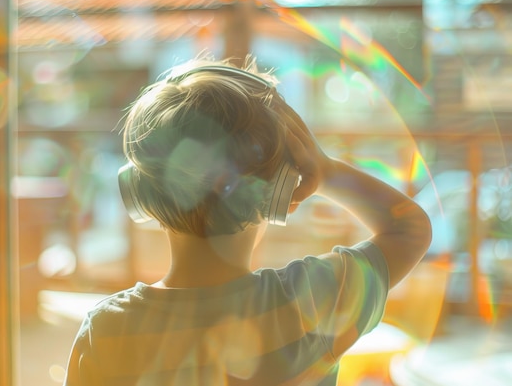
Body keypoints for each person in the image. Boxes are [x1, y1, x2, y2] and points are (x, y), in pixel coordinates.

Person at [63, 56, 432, 386]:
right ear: (279, 194)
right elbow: (409, 229)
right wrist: (327, 170)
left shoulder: (106, 330)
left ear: (138, 193)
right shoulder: (308, 305)